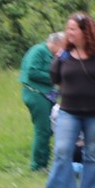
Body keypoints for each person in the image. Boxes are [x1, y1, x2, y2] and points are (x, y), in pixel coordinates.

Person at [43, 13, 95, 188]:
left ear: (86, 31)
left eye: (73, 29)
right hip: (69, 111)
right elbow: (54, 77)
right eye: (68, 28)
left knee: (93, 154)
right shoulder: (64, 54)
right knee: (62, 150)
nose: (68, 32)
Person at [19, 31, 65, 172]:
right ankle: (38, 165)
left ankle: (44, 161)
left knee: (49, 129)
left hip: (48, 96)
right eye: (63, 46)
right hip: (36, 94)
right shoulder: (38, 51)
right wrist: (55, 78)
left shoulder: (53, 55)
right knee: (43, 130)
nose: (64, 50)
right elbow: (32, 72)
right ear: (56, 43)